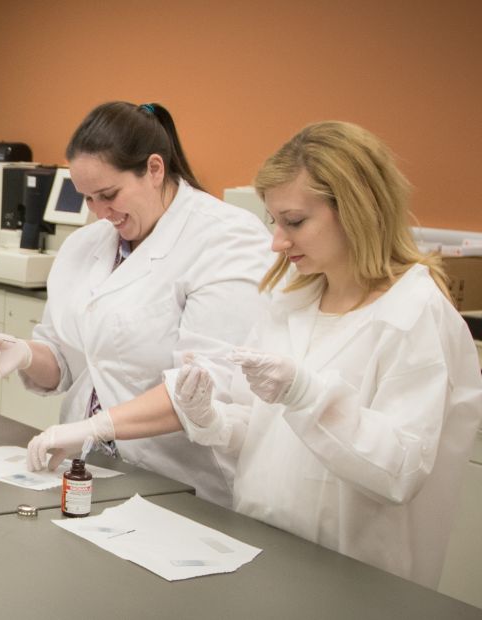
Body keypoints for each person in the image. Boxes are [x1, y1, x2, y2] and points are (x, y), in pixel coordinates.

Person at [158, 121, 481, 587]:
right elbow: (263, 433)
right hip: (265, 551)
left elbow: (400, 470)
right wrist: (210, 417)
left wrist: (307, 394)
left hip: (356, 579)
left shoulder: (414, 313)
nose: (277, 241)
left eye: (295, 222)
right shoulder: (293, 301)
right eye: (275, 221)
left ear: (358, 210)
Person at [0, 101, 273, 506]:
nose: (100, 213)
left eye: (108, 195)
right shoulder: (87, 244)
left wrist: (97, 426)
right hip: (90, 471)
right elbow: (67, 364)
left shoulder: (227, 238)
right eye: (86, 199)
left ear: (154, 169)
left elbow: (207, 384)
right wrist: (29, 354)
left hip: (183, 479)